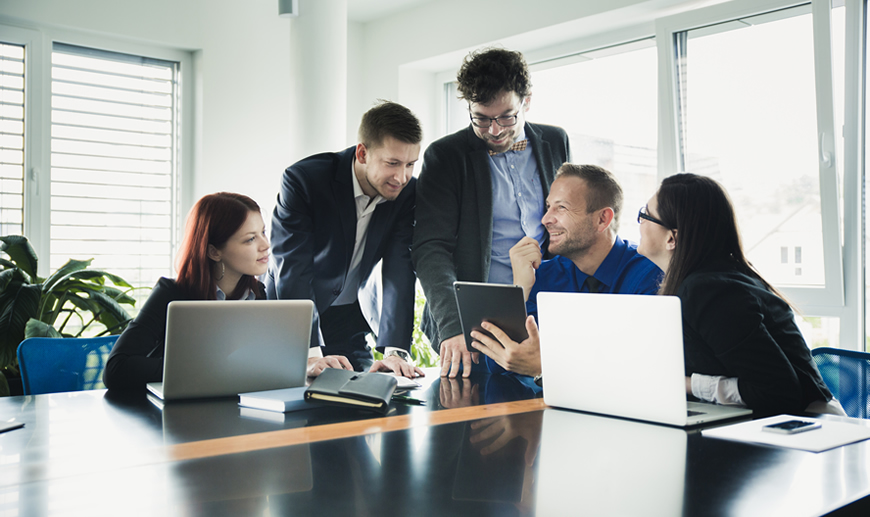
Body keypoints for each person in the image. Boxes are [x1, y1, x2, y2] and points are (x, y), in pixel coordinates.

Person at [413, 47, 570, 378]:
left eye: (506, 117)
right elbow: (431, 247)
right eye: (481, 119)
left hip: (549, 310)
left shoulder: (556, 140)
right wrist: (453, 326)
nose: (495, 131)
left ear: (526, 101)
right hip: (475, 319)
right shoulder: (445, 157)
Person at [636, 173, 844, 416]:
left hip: (808, 429)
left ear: (672, 237)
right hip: (768, 425)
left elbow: (779, 393)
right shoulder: (710, 279)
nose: (639, 221)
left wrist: (686, 383)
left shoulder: (709, 291)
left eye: (645, 214)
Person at [104, 192, 352, 391]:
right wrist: (213, 368)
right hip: (175, 417)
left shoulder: (258, 294)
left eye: (263, 233)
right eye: (250, 239)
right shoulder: (171, 293)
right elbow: (116, 370)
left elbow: (262, 363)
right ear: (214, 251)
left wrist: (304, 366)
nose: (266, 245)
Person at [266, 101, 424, 378]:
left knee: (367, 403)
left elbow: (400, 265)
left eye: (411, 164)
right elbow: (292, 269)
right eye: (392, 163)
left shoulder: (406, 191)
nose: (402, 177)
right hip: (292, 317)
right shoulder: (304, 181)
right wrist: (310, 352)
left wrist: (396, 351)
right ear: (362, 153)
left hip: (348, 320)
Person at [470, 164, 662, 378]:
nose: (545, 220)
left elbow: (641, 369)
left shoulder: (650, 275)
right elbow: (500, 364)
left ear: (602, 219)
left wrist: (546, 368)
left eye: (561, 208)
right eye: (548, 206)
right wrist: (520, 289)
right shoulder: (542, 275)